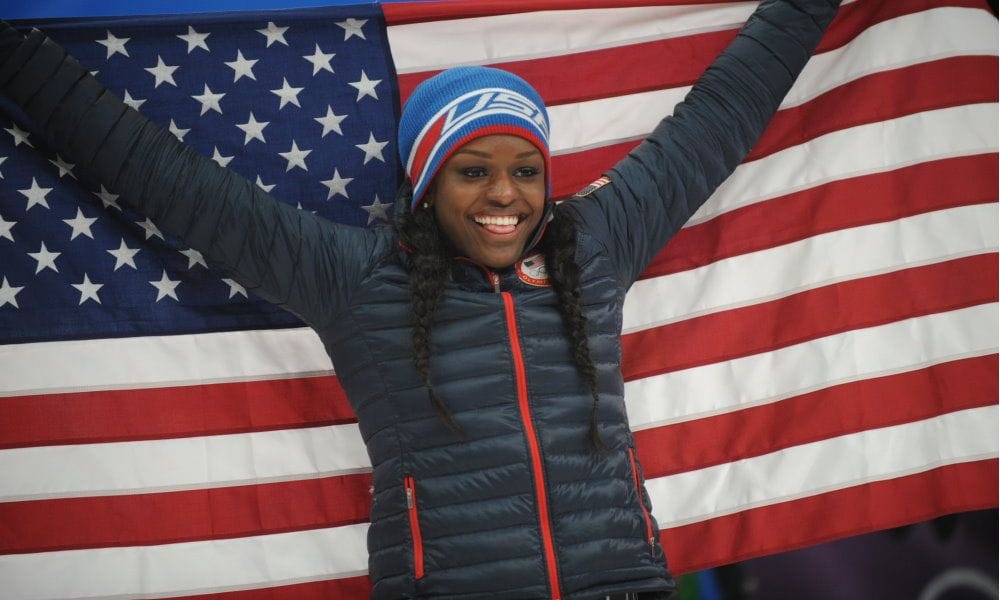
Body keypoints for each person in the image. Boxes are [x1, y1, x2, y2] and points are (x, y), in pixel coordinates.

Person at [0, 0, 840, 597]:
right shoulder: (357, 278)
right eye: (473, 171)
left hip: (626, 586)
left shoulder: (595, 246)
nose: (503, 195)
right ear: (429, 185)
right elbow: (168, 182)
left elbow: (723, 112)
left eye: (525, 171)